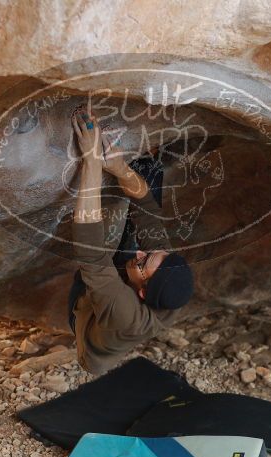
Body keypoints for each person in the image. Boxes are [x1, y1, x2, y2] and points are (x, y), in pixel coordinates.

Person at [67, 102, 194, 375]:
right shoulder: (167, 276)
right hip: (128, 289)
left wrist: (92, 160)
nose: (140, 253)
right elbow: (147, 209)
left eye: (142, 262)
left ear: (143, 293)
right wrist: (120, 168)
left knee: (98, 256)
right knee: (149, 174)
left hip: (88, 322)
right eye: (151, 255)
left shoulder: (125, 315)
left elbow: (90, 251)